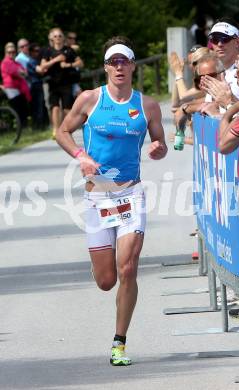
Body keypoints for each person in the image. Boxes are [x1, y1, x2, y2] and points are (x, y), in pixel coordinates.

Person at [55, 36, 167, 366]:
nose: (119, 67)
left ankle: (119, 342)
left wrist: (158, 148)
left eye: (124, 61)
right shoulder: (90, 99)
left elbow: (159, 140)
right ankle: (101, 265)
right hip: (96, 196)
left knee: (129, 268)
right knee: (107, 281)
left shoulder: (147, 106)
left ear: (133, 66)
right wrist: (81, 156)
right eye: (113, 62)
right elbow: (62, 131)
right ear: (105, 67)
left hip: (130, 193)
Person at [41, 27, 83, 139]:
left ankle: (66, 130)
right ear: (51, 38)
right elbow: (42, 66)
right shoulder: (48, 51)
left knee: (67, 108)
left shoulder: (69, 50)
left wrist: (69, 65)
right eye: (55, 36)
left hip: (66, 83)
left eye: (60, 36)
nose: (58, 38)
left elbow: (80, 63)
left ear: (63, 38)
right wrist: (55, 60)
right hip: (53, 83)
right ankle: (55, 130)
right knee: (54, 107)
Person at [208, 17, 239, 102]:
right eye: (215, 39)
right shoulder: (217, 70)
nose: (219, 44)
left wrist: (230, 100)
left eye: (225, 39)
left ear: (237, 42)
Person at [0, 42, 31, 127]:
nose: (11, 54)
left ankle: (24, 128)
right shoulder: (5, 62)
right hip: (12, 89)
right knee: (18, 109)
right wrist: (21, 73)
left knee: (23, 109)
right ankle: (21, 128)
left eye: (13, 52)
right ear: (5, 53)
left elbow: (25, 72)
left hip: (19, 89)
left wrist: (22, 73)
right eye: (9, 52)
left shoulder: (16, 62)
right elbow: (16, 72)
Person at [27, 43, 49, 130]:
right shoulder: (31, 61)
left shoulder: (36, 61)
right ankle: (39, 127)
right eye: (36, 51)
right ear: (31, 52)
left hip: (39, 85)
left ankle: (42, 125)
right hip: (35, 86)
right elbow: (40, 71)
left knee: (41, 106)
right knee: (38, 107)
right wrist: (46, 67)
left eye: (39, 51)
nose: (38, 52)